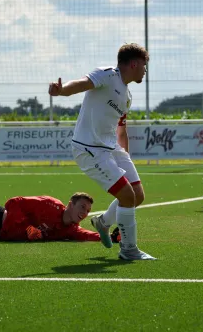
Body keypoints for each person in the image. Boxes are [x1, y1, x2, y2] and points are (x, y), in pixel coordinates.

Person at [48, 43, 155, 261]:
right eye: (144, 65)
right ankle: (128, 250)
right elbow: (81, 84)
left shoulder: (127, 96)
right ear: (134, 63)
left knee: (137, 195)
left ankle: (103, 223)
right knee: (126, 195)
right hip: (88, 149)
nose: (145, 70)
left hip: (111, 148)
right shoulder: (107, 75)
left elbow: (121, 130)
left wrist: (124, 157)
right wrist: (61, 91)